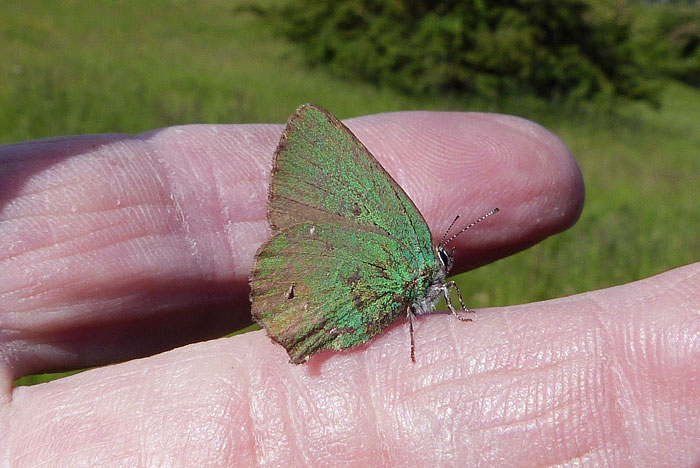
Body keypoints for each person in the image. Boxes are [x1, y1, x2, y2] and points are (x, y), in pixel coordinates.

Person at [1, 110, 698, 466]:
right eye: (445, 268)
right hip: (316, 286)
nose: (445, 272)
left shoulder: (418, 260)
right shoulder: (413, 255)